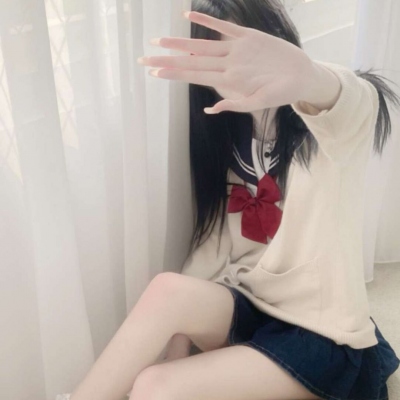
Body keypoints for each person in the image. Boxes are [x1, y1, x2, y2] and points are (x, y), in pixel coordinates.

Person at [56, 1, 400, 400]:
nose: (236, 72)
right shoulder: (226, 139)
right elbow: (210, 251)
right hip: (255, 308)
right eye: (217, 60)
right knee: (166, 291)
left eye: (243, 56)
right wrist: (175, 353)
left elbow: (355, 103)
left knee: (154, 387)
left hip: (320, 336)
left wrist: (308, 75)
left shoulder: (328, 131)